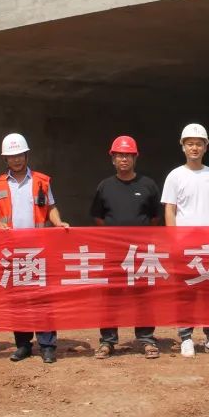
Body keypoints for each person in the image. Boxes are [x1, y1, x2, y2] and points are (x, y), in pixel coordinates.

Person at [0, 132, 70, 364]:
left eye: (20, 155)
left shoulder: (41, 181)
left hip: (38, 249)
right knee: (18, 299)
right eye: (12, 156)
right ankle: (23, 345)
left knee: (42, 298)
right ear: (6, 159)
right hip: (13, 250)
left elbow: (51, 208)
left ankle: (47, 345)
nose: (16, 160)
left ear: (26, 155)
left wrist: (58, 222)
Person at [90, 135, 162, 360]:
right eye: (120, 155)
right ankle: (108, 341)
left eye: (128, 155)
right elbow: (98, 216)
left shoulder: (148, 185)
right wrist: (115, 238)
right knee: (111, 296)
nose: (124, 159)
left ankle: (147, 339)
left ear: (135, 158)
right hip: (113, 251)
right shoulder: (105, 186)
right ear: (113, 158)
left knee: (143, 294)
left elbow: (155, 217)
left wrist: (140, 237)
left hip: (141, 250)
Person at [161, 123, 209, 357]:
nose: (194, 148)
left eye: (199, 144)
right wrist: (174, 239)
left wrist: (206, 227)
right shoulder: (175, 175)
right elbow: (170, 209)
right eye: (190, 143)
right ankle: (186, 337)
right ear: (183, 146)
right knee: (185, 291)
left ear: (205, 147)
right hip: (184, 244)